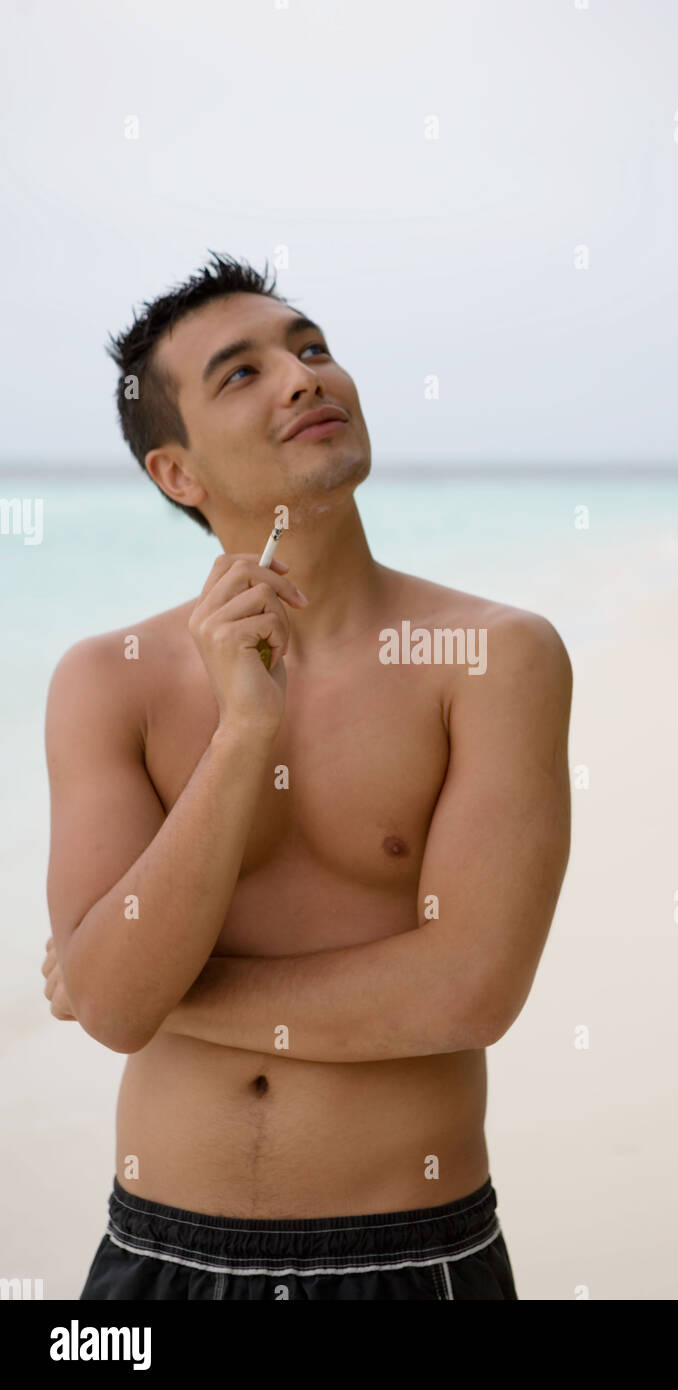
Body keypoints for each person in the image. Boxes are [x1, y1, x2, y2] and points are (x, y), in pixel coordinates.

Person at [41, 252, 572, 1300]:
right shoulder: (109, 682)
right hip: (157, 1258)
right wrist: (244, 731)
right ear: (178, 475)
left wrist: (147, 998)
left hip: (409, 1255)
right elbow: (111, 1001)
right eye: (241, 373)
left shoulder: (493, 657)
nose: (302, 376)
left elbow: (467, 993)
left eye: (312, 347)